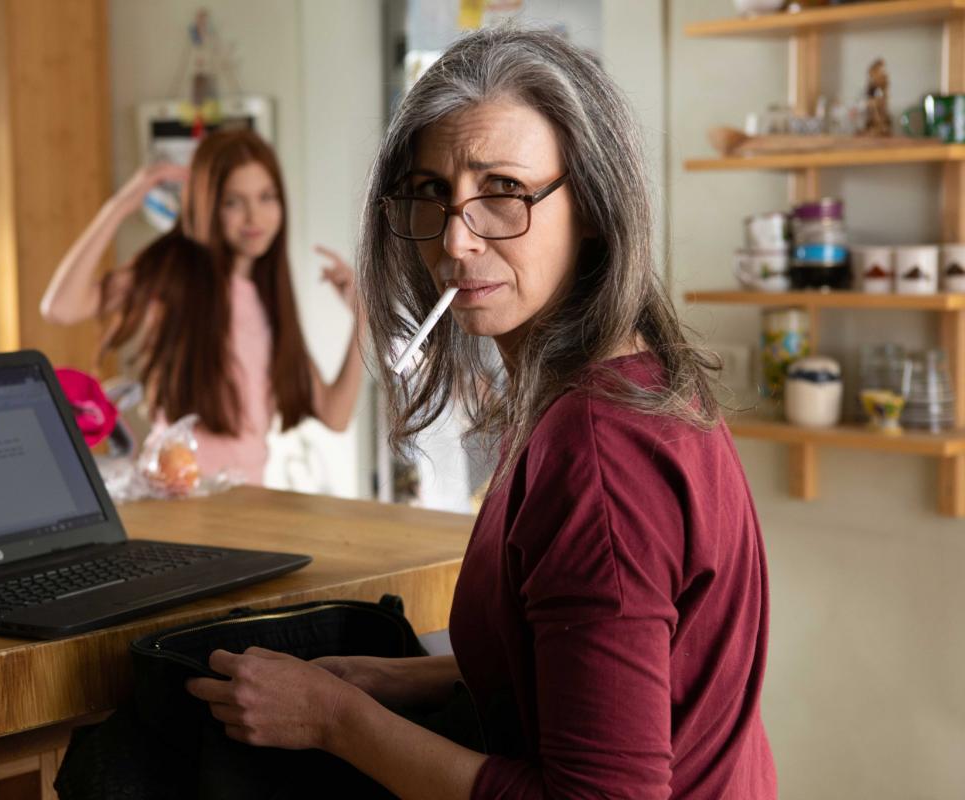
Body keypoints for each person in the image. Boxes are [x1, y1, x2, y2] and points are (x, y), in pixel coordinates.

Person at [185, 26, 777, 799]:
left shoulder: (598, 455)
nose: (457, 241)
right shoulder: (636, 381)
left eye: (503, 191)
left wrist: (338, 720)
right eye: (434, 192)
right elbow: (605, 663)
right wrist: (404, 679)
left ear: (593, 204)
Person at [40, 129, 363, 485]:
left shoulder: (270, 302)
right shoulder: (174, 273)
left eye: (266, 197)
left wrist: (363, 318)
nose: (254, 218)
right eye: (233, 202)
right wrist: (120, 205)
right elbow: (61, 307)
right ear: (208, 205)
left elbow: (336, 414)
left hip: (246, 505)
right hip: (173, 496)